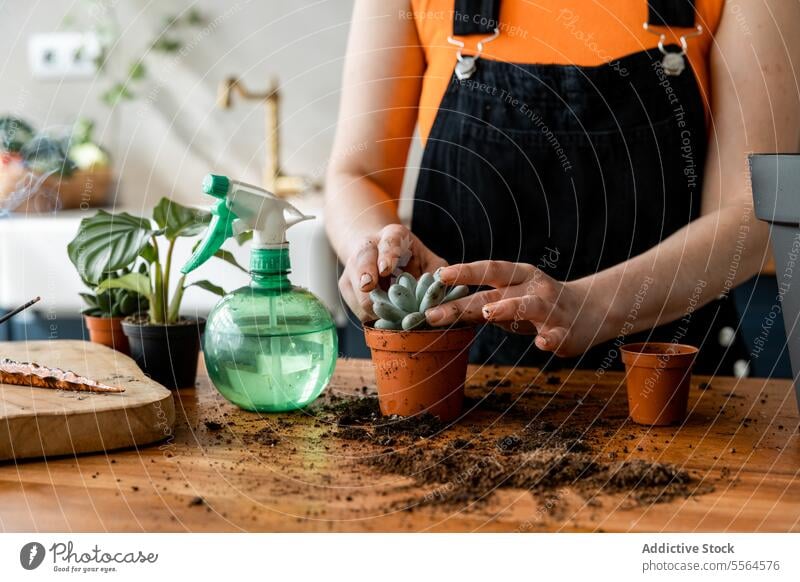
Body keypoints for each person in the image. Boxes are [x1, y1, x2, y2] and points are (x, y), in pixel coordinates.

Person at [324, 0, 800, 372]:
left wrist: (590, 306)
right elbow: (355, 175)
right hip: (458, 391)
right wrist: (370, 245)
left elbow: (756, 210)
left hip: (668, 387)